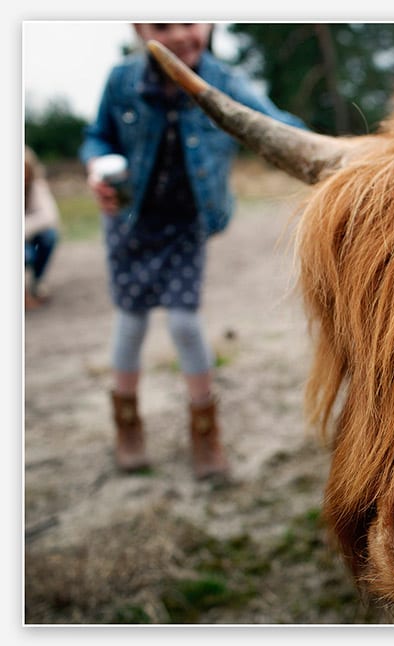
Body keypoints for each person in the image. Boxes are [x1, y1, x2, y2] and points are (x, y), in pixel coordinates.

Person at [80, 23, 308, 479]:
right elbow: (98, 135)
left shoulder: (227, 82)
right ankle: (127, 425)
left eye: (192, 20)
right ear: (139, 28)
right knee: (131, 324)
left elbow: (280, 126)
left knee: (185, 323)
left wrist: (345, 152)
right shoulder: (121, 79)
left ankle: (205, 431)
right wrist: (95, 168)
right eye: (164, 25)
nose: (182, 35)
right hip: (130, 225)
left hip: (185, 226)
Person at [24, 147, 60, 311]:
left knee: (49, 235)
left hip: (27, 238)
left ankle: (36, 282)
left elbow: (50, 217)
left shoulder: (36, 186)